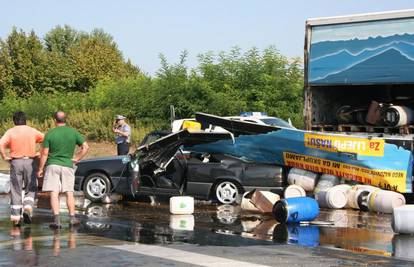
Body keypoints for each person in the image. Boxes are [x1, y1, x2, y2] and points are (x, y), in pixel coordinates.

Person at [37, 111, 89, 229]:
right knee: (69, 192)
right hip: (67, 165)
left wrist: (40, 169)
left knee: (54, 193)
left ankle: (57, 221)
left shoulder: (50, 133)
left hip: (52, 165)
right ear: (66, 119)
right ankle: (72, 218)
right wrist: (77, 158)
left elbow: (44, 154)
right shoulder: (73, 132)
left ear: (55, 120)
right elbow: (86, 146)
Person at [0, 111, 44, 226]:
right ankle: (28, 208)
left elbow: (1, 143)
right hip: (30, 161)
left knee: (16, 189)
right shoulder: (32, 131)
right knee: (31, 187)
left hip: (16, 162)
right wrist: (39, 152)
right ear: (25, 120)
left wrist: (5, 156)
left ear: (14, 121)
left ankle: (16, 218)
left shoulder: (10, 132)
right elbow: (45, 139)